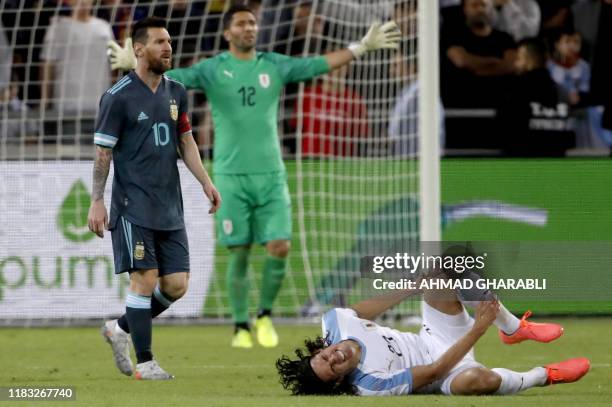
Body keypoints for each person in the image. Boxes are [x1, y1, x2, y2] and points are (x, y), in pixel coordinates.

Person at [107, 4, 401, 348]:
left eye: (252, 23)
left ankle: (263, 315)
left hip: (271, 174)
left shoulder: (273, 65)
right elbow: (175, 77)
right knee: (240, 251)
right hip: (231, 175)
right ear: (227, 32)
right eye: (242, 23)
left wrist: (359, 47)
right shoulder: (215, 69)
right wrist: (135, 65)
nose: (249, 28)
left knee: (280, 246)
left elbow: (316, 64)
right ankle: (240, 326)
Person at [87, 17, 221, 380]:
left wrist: (206, 182)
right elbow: (103, 155)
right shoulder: (117, 97)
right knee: (144, 278)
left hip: (169, 205)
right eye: (160, 41)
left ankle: (120, 328)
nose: (168, 47)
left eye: (170, 41)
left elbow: (185, 140)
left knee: (176, 285)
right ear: (139, 49)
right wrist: (97, 200)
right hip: (133, 205)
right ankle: (145, 363)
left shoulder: (177, 91)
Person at [278, 279, 589, 396]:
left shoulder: (335, 322)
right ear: (337, 381)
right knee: (476, 382)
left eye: (324, 357)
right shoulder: (370, 385)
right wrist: (478, 328)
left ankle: (512, 328)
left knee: (445, 269)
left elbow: (359, 310)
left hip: (432, 336)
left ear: (320, 349)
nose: (333, 358)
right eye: (332, 368)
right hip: (444, 373)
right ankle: (544, 375)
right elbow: (435, 372)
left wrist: (414, 285)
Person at [40, 0, 114, 143]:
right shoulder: (58, 27)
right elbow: (47, 66)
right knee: (70, 158)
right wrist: (45, 102)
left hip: (100, 111)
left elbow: (113, 66)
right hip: (67, 109)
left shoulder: (104, 27)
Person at [498, 37, 573, 155]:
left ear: (528, 60)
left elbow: (503, 133)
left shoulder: (514, 90)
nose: (515, 64)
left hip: (523, 166)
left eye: (518, 59)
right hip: (554, 167)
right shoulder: (562, 92)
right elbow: (568, 138)